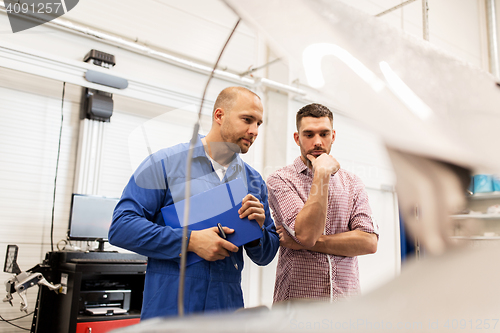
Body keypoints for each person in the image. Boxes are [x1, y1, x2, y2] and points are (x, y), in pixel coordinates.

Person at [109, 86, 279, 319]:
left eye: (259, 123)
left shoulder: (253, 181)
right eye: (247, 120)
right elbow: (121, 227)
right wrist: (190, 240)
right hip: (169, 311)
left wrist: (257, 231)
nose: (254, 130)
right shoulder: (164, 164)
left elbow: (265, 256)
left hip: (225, 312)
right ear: (219, 116)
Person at [266, 103, 378, 304]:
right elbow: (308, 234)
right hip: (298, 306)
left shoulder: (353, 183)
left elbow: (369, 242)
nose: (317, 142)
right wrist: (322, 173)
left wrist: (307, 242)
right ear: (297, 138)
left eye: (324, 134)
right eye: (309, 134)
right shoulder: (280, 180)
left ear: (333, 136)